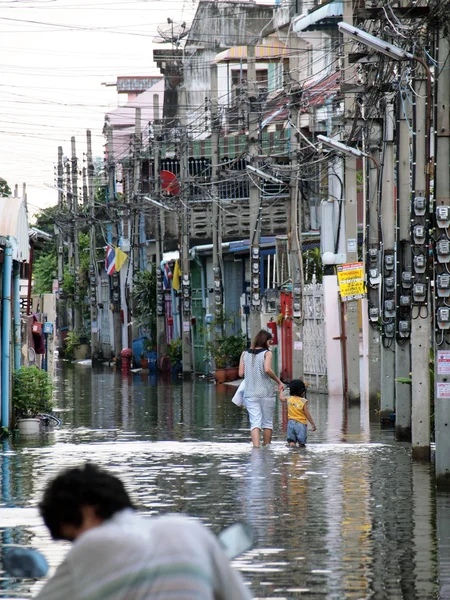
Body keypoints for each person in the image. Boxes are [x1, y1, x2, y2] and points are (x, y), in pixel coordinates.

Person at [35, 463, 253, 600]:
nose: (76, 544)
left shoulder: (90, 547)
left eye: (73, 537)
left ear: (88, 511)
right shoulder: (190, 529)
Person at [238, 329, 284, 447]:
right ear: (265, 341)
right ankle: (266, 448)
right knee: (267, 422)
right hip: (266, 393)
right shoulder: (267, 353)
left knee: (255, 422)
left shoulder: (244, 354)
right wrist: (278, 381)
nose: (270, 344)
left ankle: (256, 449)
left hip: (250, 393)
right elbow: (267, 369)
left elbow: (240, 373)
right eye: (270, 341)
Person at [279, 378, 316, 448]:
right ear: (302, 391)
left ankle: (293, 455)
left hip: (290, 424)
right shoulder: (303, 401)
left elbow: (281, 398)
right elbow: (307, 414)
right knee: (302, 444)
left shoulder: (289, 399)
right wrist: (312, 424)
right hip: (301, 425)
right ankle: (301, 455)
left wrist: (281, 390)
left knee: (292, 442)